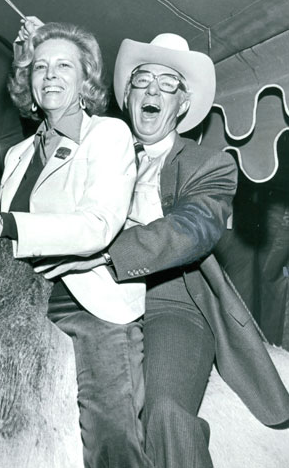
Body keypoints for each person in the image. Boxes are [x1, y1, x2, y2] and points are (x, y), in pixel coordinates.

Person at [37, 32, 289, 467]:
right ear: (128, 95)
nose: (152, 90)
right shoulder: (93, 151)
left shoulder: (208, 164)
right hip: (86, 301)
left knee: (165, 411)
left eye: (167, 84)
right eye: (142, 80)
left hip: (169, 304)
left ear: (183, 104)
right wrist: (50, 62)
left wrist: (107, 253)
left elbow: (194, 229)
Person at [0, 21, 149, 468]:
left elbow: (97, 225)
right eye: (40, 67)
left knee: (110, 429)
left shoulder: (108, 136)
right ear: (29, 85)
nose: (50, 74)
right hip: (13, 302)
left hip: (89, 303)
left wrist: (3, 224)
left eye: (64, 66)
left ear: (85, 81)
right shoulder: (16, 155)